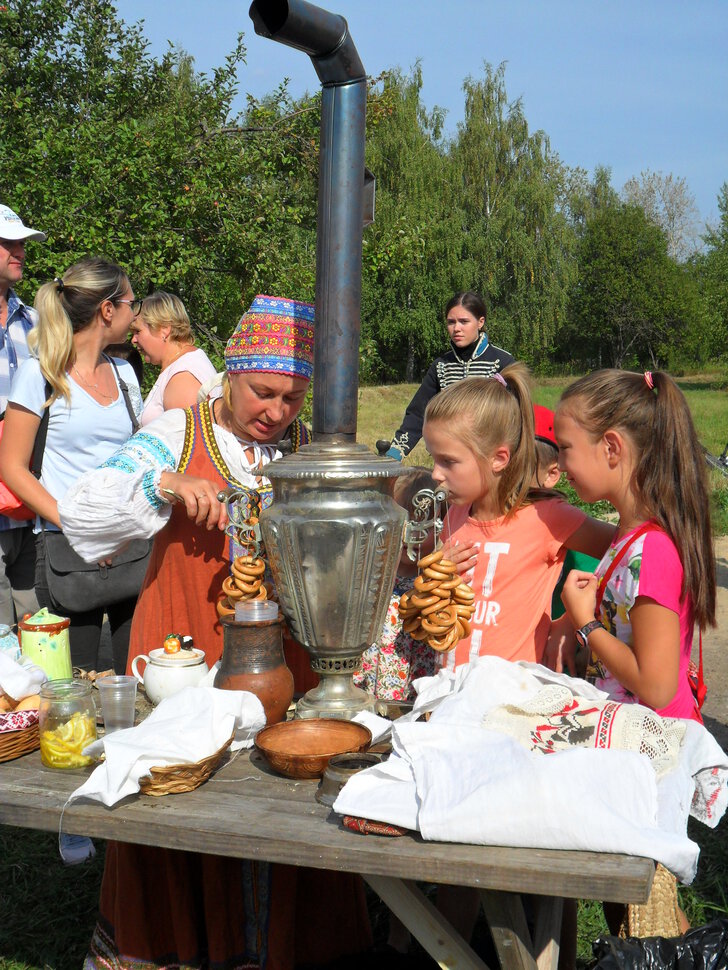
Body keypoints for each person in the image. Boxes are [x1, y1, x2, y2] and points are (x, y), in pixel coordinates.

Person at [58, 294, 371, 970]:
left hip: (282, 656)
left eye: (293, 397)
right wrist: (162, 482)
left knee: (286, 798)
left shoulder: (302, 447)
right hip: (185, 650)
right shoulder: (175, 431)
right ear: (231, 372)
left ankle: (281, 952)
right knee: (181, 798)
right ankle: (173, 952)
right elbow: (81, 512)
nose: (278, 411)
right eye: (265, 392)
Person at [423, 367, 615, 675]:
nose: (435, 473)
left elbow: (628, 551)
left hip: (510, 706)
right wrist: (434, 578)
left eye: (448, 461)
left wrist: (572, 621)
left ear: (499, 458)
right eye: (433, 458)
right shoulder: (454, 513)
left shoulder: (548, 517)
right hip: (447, 699)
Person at [0, 258, 142, 673]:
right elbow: (11, 467)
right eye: (132, 303)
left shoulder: (125, 374)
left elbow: (134, 458)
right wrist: (74, 522)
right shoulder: (40, 374)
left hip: (128, 548)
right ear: (107, 310)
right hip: (66, 551)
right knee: (68, 692)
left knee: (136, 682)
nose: (137, 314)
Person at [556, 369, 716, 722]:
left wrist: (586, 624)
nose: (561, 464)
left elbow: (656, 687)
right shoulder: (630, 534)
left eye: (566, 449)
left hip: (652, 746)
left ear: (611, 447)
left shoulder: (652, 552)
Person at [386, 291, 515, 461]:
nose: (456, 329)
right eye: (451, 322)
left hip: (491, 457)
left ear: (480, 322)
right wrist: (395, 453)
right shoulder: (441, 365)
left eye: (464, 321)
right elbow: (419, 412)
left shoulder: (503, 362)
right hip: (450, 459)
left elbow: (517, 416)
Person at [354, 467, 437, 703]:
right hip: (369, 690)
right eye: (403, 522)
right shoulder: (373, 575)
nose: (412, 534)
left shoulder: (435, 583)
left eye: (425, 526)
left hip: (415, 693)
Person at [0, 204, 45, 626]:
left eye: (22, 243)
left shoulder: (35, 323)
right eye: (8, 243)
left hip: (26, 508)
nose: (19, 251)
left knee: (37, 634)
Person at [130, 290, 216, 425]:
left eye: (137, 331)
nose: (133, 340)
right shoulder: (180, 365)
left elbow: (187, 440)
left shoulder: (183, 377)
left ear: (164, 329)